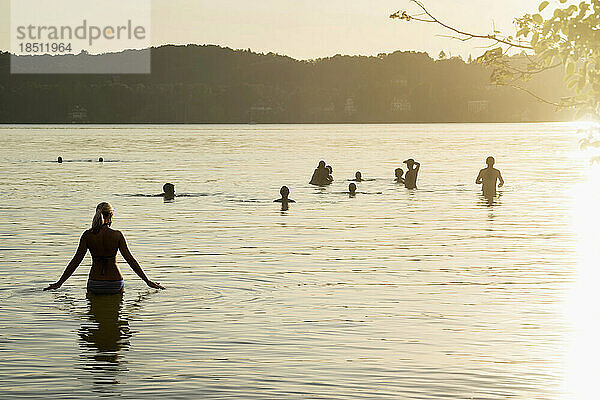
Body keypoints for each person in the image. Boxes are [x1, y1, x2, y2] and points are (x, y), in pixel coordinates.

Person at [44, 202, 164, 293]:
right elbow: (130, 260)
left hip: (95, 282)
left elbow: (76, 261)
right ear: (111, 215)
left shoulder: (87, 235)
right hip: (115, 282)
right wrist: (147, 281)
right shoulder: (117, 235)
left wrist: (59, 283)